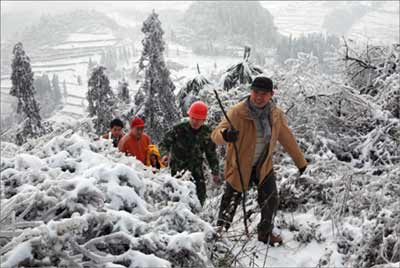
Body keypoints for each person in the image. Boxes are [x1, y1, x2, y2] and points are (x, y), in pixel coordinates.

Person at [211, 76, 307, 246]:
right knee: (230, 200)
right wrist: (226, 135)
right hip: (240, 166)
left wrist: (301, 163)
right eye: (256, 92)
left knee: (271, 199)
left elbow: (287, 139)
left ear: (271, 94)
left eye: (264, 93)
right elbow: (216, 134)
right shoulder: (238, 112)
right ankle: (219, 234)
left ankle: (265, 233)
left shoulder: (275, 115)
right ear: (251, 91)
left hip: (263, 165)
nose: (259, 96)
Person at [160, 101, 220, 206]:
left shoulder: (207, 133)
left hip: (196, 169)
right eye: (193, 118)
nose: (195, 122)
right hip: (178, 170)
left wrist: (215, 171)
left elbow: (211, 154)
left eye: (198, 119)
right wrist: (164, 155)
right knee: (177, 197)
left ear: (203, 120)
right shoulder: (179, 129)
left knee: (200, 196)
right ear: (189, 116)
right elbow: (164, 143)